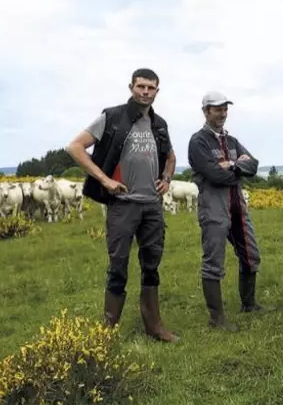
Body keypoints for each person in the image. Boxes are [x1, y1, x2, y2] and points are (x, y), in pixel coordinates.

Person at [66, 68, 178, 343]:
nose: (145, 92)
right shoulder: (113, 117)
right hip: (122, 205)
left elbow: (171, 156)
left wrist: (166, 178)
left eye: (151, 88)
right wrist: (105, 180)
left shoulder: (159, 124)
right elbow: (75, 147)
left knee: (151, 265)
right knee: (118, 265)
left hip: (151, 205)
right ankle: (108, 331)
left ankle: (154, 326)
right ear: (131, 87)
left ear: (157, 92)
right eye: (141, 86)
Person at [187, 91, 262, 332]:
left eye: (225, 108)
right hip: (213, 207)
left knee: (252, 255)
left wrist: (231, 165)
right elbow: (213, 175)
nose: (222, 113)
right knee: (214, 262)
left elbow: (254, 164)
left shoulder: (231, 140)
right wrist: (237, 167)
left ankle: (249, 304)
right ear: (206, 111)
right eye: (217, 109)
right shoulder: (198, 141)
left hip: (237, 205)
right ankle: (217, 318)